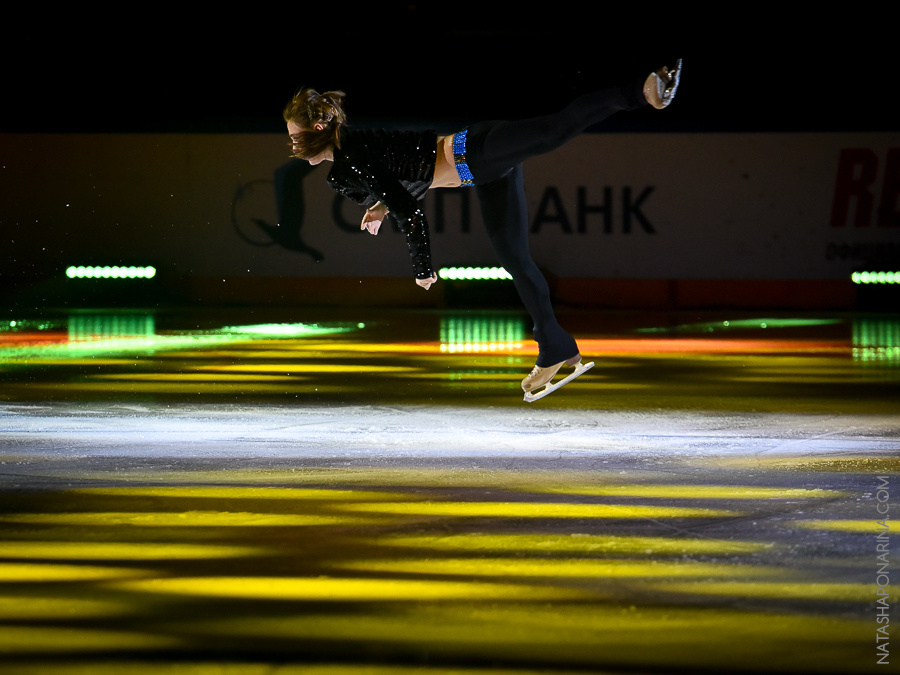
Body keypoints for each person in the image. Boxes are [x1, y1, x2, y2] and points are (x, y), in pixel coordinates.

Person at [283, 60, 682, 398]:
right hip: (479, 170)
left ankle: (642, 91)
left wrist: (422, 267)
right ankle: (555, 347)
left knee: (553, 130)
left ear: (317, 129)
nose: (292, 144)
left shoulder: (350, 161)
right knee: (515, 259)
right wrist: (383, 206)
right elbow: (413, 179)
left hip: (476, 150)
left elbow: (411, 210)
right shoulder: (349, 161)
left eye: (295, 136)